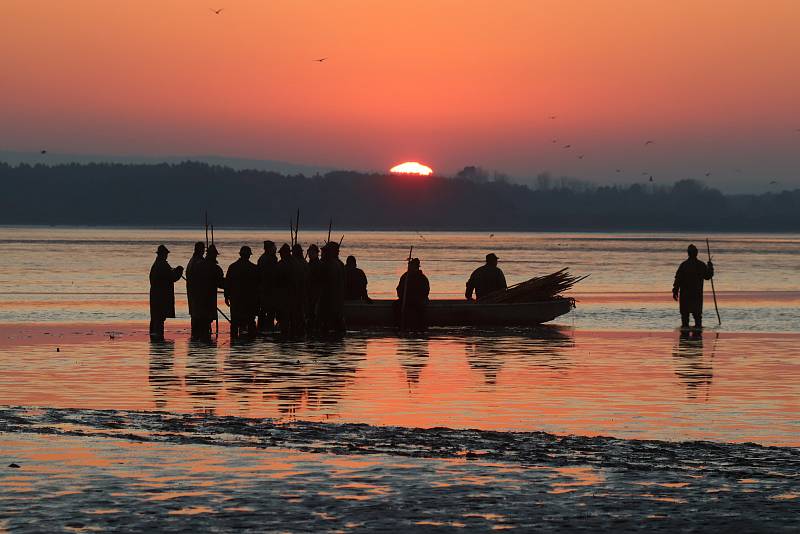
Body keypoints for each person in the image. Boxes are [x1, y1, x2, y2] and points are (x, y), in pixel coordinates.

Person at [673, 244, 714, 329]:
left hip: (686, 296)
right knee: (697, 319)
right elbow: (708, 276)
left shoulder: (684, 265)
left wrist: (675, 291)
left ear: (688, 253)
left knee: (685, 319)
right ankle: (697, 338)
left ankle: (685, 338)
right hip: (696, 295)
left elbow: (678, 279)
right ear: (696, 253)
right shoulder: (700, 265)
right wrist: (710, 267)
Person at [149, 245, 183, 340]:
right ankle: (158, 339)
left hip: (156, 296)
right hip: (161, 298)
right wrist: (179, 271)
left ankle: (155, 340)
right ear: (163, 254)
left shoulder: (158, 264)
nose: (167, 256)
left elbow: (169, 275)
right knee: (159, 319)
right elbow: (173, 277)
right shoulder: (162, 265)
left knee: (156, 319)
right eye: (166, 254)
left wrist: (174, 271)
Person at [225, 246, 260, 337]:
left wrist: (226, 296)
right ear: (249, 255)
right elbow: (258, 286)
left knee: (235, 322)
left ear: (240, 255)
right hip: (249, 300)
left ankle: (234, 340)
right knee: (250, 322)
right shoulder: (253, 268)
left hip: (236, 299)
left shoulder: (232, 267)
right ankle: (250, 339)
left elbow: (227, 283)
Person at [191, 244, 224, 341]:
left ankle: (198, 339)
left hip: (197, 299)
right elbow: (221, 283)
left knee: (199, 322)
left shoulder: (198, 265)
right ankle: (205, 339)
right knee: (206, 322)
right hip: (208, 300)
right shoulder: (215, 268)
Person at [317, 242, 346, 335]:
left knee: (325, 324)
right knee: (337, 323)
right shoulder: (339, 264)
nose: (321, 254)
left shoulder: (327, 265)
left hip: (328, 300)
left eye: (323, 252)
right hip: (337, 300)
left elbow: (324, 283)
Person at [396, 258, 430, 331]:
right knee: (396, 305)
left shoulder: (422, 278)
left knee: (418, 309)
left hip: (419, 300)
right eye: (409, 266)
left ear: (416, 267)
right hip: (406, 300)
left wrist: (416, 298)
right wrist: (402, 297)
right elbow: (399, 289)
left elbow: (425, 291)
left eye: (412, 266)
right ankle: (399, 324)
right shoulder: (405, 277)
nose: (410, 268)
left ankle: (420, 326)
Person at [257, 241, 278, 332]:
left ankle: (262, 329)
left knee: (263, 311)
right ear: (269, 249)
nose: (275, 249)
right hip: (268, 290)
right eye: (274, 247)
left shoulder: (263, 258)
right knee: (269, 311)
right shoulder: (269, 259)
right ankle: (268, 329)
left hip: (264, 290)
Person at [185, 241, 205, 336]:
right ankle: (198, 336)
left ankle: (196, 336)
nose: (204, 251)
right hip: (198, 295)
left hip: (193, 294)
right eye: (203, 249)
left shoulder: (192, 261)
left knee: (195, 316)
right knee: (198, 317)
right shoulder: (198, 262)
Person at [305, 243, 323, 332]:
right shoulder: (309, 264)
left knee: (314, 316)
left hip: (316, 295)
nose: (310, 254)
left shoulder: (318, 265)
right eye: (309, 252)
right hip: (309, 295)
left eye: (312, 252)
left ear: (316, 253)